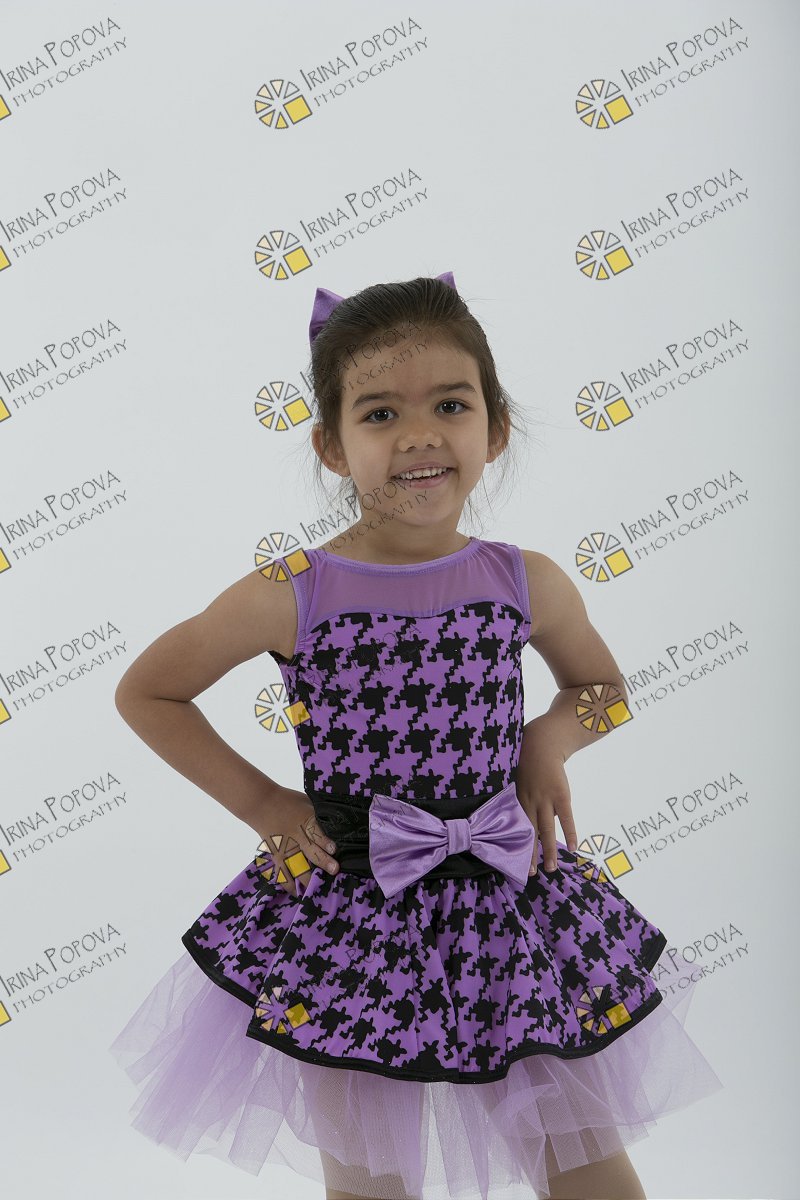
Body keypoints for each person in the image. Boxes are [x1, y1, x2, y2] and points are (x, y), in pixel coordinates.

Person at [109, 273, 723, 1200]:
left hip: (511, 910)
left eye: (450, 404)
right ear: (331, 445)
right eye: (380, 413)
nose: (420, 435)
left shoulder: (525, 580)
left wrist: (546, 742)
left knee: (584, 1162)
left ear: (496, 428)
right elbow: (149, 691)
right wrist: (267, 805)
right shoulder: (293, 590)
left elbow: (602, 690)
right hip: (352, 913)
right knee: (369, 1177)